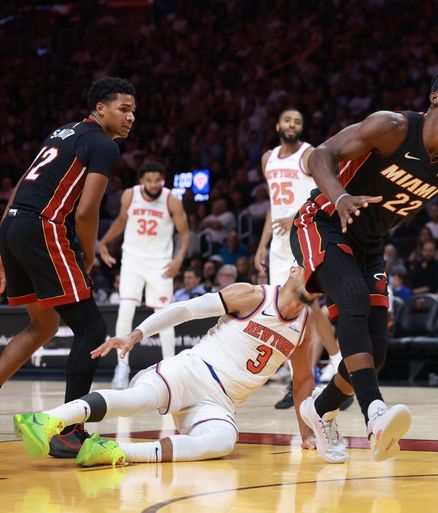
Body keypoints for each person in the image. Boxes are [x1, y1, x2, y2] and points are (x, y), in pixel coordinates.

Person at [292, 68, 438, 462]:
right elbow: (319, 155)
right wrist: (341, 196)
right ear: (434, 98)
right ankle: (375, 415)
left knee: (375, 354)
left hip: (369, 243)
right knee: (352, 297)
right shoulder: (391, 127)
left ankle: (320, 410)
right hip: (324, 221)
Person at [12, 267, 324, 466]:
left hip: (220, 402)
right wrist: (138, 333)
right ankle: (45, 420)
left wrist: (307, 434)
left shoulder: (305, 326)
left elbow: (302, 381)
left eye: (321, 278)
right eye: (311, 271)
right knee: (137, 401)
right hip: (192, 370)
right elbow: (186, 309)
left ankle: (113, 450)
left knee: (223, 441)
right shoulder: (253, 295)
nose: (315, 279)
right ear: (294, 270)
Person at [0, 77, 136, 457]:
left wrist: (1, 249)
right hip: (43, 226)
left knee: (41, 325)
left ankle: (66, 427)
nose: (130, 118)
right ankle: (67, 431)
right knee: (91, 329)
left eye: (134, 112)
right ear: (101, 109)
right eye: (124, 109)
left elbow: (18, 189)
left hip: (13, 224)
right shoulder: (102, 144)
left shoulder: (62, 133)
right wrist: (87, 256)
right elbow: (88, 210)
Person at [253, 109, 342, 409]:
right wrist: (261, 245)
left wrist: (295, 216)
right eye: (288, 120)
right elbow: (272, 204)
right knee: (286, 312)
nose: (292, 125)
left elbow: (327, 192)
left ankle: (339, 366)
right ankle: (301, 382)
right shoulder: (268, 158)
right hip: (278, 245)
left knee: (312, 306)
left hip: (305, 235)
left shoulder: (309, 155)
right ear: (278, 125)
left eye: (298, 122)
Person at [98, 160, 190, 389]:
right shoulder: (130, 195)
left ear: (162, 179)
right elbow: (121, 221)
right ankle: (122, 368)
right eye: (148, 180)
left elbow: (185, 233)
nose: (153, 184)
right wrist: (105, 242)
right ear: (141, 181)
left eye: (157, 180)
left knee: (165, 315)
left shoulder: (171, 199)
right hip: (132, 261)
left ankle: (169, 370)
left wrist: (178, 259)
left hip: (160, 264)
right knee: (125, 310)